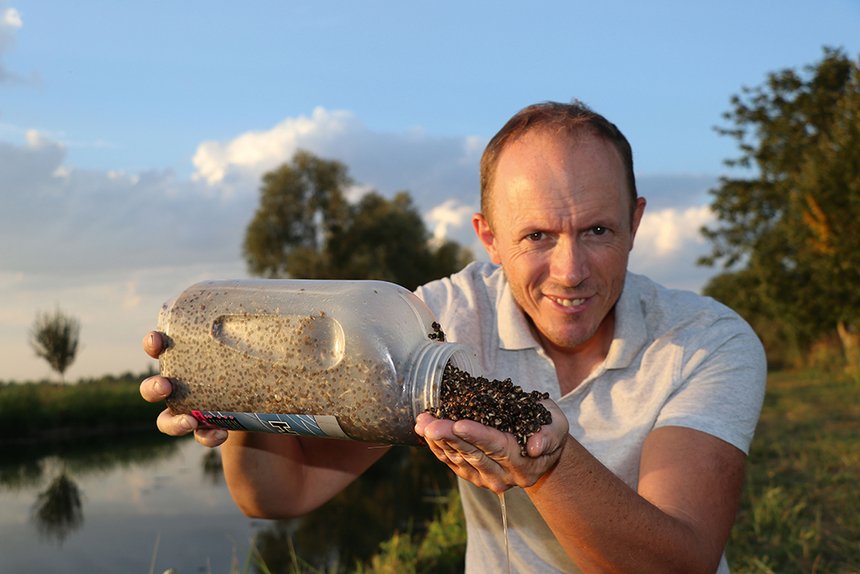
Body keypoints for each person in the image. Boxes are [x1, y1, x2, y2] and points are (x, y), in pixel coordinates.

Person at [141, 101, 766, 573]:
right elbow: (279, 496)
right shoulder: (432, 323)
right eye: (537, 236)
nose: (571, 271)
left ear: (635, 221)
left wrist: (546, 466)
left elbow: (684, 560)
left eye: (598, 231)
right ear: (489, 237)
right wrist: (238, 393)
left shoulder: (707, 341)